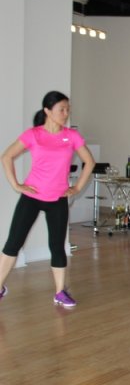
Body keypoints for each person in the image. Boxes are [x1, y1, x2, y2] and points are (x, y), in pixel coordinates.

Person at [0, 91, 95, 307]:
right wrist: (16, 184)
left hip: (58, 199)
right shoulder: (33, 134)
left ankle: (60, 292)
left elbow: (89, 162)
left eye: (67, 109)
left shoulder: (71, 136)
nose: (66, 113)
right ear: (47, 111)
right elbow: (6, 156)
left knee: (57, 246)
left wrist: (77, 187)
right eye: (61, 109)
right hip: (31, 197)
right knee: (13, 244)